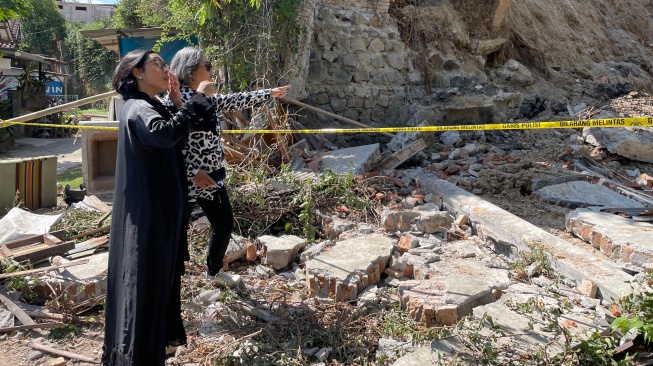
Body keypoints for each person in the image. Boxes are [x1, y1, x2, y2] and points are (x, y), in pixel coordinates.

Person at [102, 49, 217, 366]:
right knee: (146, 288)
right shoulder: (138, 107)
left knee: (158, 288)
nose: (165, 69)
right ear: (137, 72)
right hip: (150, 217)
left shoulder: (151, 105)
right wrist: (197, 98)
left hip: (161, 215)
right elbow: (163, 135)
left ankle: (150, 354)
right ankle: (138, 356)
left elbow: (180, 136)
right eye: (158, 64)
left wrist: (180, 100)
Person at [166, 47, 291, 287]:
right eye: (208, 65)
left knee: (223, 224)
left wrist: (269, 93)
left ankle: (213, 272)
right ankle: (170, 281)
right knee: (175, 233)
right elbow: (167, 147)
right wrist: (192, 173)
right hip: (186, 181)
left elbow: (235, 99)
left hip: (212, 180)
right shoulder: (174, 102)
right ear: (191, 72)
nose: (212, 70)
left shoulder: (207, 99)